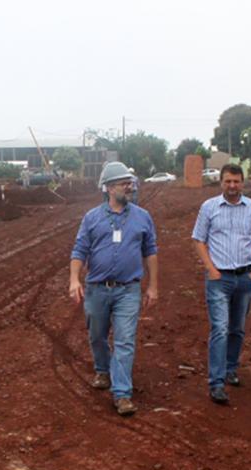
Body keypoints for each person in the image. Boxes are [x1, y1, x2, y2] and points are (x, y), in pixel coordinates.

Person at [69, 161, 158, 417]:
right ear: (108, 188)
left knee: (125, 340)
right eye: (123, 183)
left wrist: (152, 286)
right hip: (97, 288)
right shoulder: (92, 218)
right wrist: (74, 279)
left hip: (128, 289)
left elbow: (150, 251)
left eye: (130, 182)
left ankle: (122, 394)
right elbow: (79, 250)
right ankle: (102, 369)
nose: (129, 187)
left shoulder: (142, 217)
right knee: (97, 335)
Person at [192, 163, 251, 405]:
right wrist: (211, 269)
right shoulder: (209, 207)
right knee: (220, 328)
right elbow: (198, 240)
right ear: (221, 182)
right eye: (228, 181)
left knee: (237, 328)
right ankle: (216, 382)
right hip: (219, 279)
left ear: (243, 183)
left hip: (244, 277)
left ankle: (231, 368)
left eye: (236, 182)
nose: (232, 186)